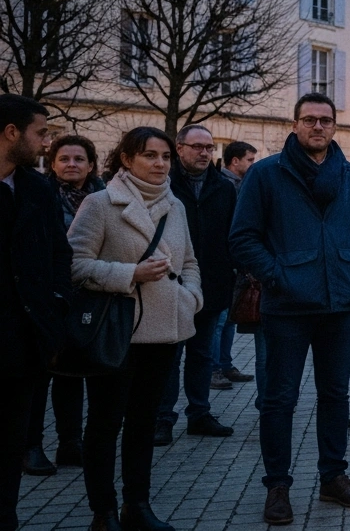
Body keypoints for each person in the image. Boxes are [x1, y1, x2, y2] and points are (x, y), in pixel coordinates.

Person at [229, 92, 350, 525]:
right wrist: (275, 275)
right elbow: (243, 237)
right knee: (279, 398)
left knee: (335, 395)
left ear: (334, 126)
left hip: (338, 304)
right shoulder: (266, 174)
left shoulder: (348, 174)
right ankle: (278, 485)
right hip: (286, 305)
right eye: (309, 120)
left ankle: (333, 476)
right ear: (295, 125)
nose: (317, 127)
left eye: (325, 120)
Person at [69, 126, 202, 531]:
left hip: (163, 332)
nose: (160, 163)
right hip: (116, 331)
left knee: (144, 423)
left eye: (165, 156)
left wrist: (191, 298)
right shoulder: (100, 203)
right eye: (150, 155)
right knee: (106, 423)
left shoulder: (174, 204)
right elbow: (74, 265)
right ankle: (103, 511)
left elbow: (191, 262)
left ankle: (137, 506)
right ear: (127, 159)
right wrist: (131, 273)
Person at [0, 95, 71, 531]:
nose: (48, 142)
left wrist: (57, 306)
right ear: (11, 133)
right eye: (41, 133)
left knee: (10, 449)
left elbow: (58, 255)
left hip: (22, 344)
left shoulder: (36, 188)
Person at [154, 125, 237, 445]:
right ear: (179, 149)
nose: (204, 153)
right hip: (168, 283)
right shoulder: (164, 184)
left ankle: (199, 413)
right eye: (197, 147)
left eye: (209, 147)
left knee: (203, 354)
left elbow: (231, 234)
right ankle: (163, 418)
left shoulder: (224, 187)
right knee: (169, 357)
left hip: (211, 284)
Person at [23, 134, 100, 476]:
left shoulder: (106, 198)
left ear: (91, 164)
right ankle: (32, 445)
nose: (72, 165)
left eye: (79, 159)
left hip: (91, 297)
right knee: (39, 375)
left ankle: (71, 442)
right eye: (64, 159)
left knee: (74, 373)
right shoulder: (37, 196)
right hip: (47, 296)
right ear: (52, 164)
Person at [210, 141, 258, 388]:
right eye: (249, 159)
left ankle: (225, 364)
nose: (253, 164)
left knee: (229, 318)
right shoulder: (223, 186)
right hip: (224, 263)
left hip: (236, 263)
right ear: (234, 161)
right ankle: (214, 368)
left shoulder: (242, 185)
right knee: (219, 320)